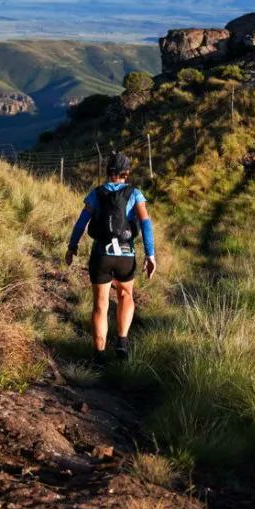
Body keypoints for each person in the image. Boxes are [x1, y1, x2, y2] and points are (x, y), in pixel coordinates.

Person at [65, 152, 156, 365]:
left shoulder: (96, 194)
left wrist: (72, 246)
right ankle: (122, 342)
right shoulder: (135, 193)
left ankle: (99, 356)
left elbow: (81, 222)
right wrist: (150, 254)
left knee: (100, 305)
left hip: (101, 255)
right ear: (127, 173)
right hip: (125, 255)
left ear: (108, 171)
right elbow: (146, 224)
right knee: (126, 296)